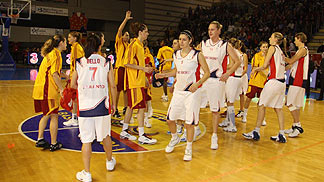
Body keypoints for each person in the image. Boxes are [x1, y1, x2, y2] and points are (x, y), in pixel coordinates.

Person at [156, 30, 210, 161]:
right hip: (178, 92)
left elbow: (207, 73)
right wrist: (164, 75)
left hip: (191, 92)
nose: (181, 42)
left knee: (189, 123)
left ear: (190, 41)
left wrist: (197, 84)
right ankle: (175, 138)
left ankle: (188, 148)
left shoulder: (197, 55)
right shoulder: (176, 54)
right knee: (170, 119)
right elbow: (176, 71)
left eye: (184, 39)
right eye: (180, 39)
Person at [72, 33, 117, 182]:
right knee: (106, 135)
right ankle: (109, 162)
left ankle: (87, 173)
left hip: (85, 107)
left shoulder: (80, 62)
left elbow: (73, 84)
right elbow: (113, 85)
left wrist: (84, 87)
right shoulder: (106, 62)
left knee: (86, 141)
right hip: (102, 105)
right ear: (99, 46)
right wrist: (115, 104)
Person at [200, 21, 240, 149]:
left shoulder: (225, 45)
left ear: (218, 31)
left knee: (215, 110)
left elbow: (237, 61)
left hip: (216, 81)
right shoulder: (203, 44)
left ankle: (214, 136)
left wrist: (228, 73)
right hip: (202, 79)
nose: (210, 32)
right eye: (209, 29)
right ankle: (193, 129)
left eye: (212, 29)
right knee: (194, 104)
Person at [243, 32, 289, 143]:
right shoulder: (281, 51)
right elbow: (287, 66)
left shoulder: (272, 48)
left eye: (271, 37)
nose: (269, 38)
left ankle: (256, 132)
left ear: (275, 39)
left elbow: (264, 65)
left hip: (273, 81)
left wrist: (255, 69)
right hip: (282, 83)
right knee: (278, 108)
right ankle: (282, 134)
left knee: (261, 105)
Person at [119, 22, 156, 144]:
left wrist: (144, 72)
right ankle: (141, 135)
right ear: (140, 32)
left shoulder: (140, 46)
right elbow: (126, 63)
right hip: (134, 82)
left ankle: (124, 130)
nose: (147, 33)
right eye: (146, 31)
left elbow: (137, 64)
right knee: (141, 108)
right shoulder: (133, 45)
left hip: (139, 80)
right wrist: (143, 69)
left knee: (130, 106)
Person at [33, 34, 67, 151]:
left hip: (41, 88)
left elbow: (53, 71)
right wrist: (61, 89)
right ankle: (54, 143)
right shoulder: (56, 54)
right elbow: (54, 74)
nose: (66, 44)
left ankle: (40, 139)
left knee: (46, 114)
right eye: (65, 41)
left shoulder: (51, 53)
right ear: (61, 43)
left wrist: (65, 75)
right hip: (48, 89)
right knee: (54, 116)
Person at [284, 32, 309, 137]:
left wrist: (281, 55)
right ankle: (295, 126)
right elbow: (290, 65)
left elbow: (291, 60)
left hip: (298, 80)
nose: (294, 41)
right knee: (296, 105)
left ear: (299, 39)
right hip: (297, 79)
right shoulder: (300, 51)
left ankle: (298, 125)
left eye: (295, 39)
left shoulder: (303, 50)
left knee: (289, 102)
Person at [220, 38, 246, 132]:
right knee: (229, 101)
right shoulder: (239, 53)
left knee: (230, 102)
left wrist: (221, 67)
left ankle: (232, 125)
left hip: (233, 77)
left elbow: (231, 65)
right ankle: (227, 121)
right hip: (238, 78)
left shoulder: (232, 52)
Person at [241, 41, 269, 125]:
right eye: (263, 47)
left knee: (262, 101)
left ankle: (263, 118)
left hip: (264, 82)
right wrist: (263, 70)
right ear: (260, 48)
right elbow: (255, 67)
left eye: (266, 47)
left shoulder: (269, 57)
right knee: (249, 98)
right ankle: (244, 115)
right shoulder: (257, 56)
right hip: (255, 81)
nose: (265, 48)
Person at [63, 31, 84, 127]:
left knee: (75, 97)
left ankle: (76, 118)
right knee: (75, 98)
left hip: (77, 76)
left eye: (70, 37)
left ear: (75, 38)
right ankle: (76, 117)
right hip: (75, 75)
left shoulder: (76, 47)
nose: (68, 39)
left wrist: (74, 77)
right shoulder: (75, 47)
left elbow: (78, 64)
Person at [113, 10, 132, 118]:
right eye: (126, 35)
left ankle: (125, 107)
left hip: (127, 69)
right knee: (117, 90)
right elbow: (120, 29)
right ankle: (115, 109)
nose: (127, 36)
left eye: (128, 35)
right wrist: (126, 19)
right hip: (119, 68)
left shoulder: (129, 45)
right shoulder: (119, 42)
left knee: (125, 90)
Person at [143, 39, 155, 128]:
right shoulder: (136, 54)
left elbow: (152, 68)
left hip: (146, 80)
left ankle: (146, 118)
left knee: (147, 98)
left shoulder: (148, 56)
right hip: (136, 80)